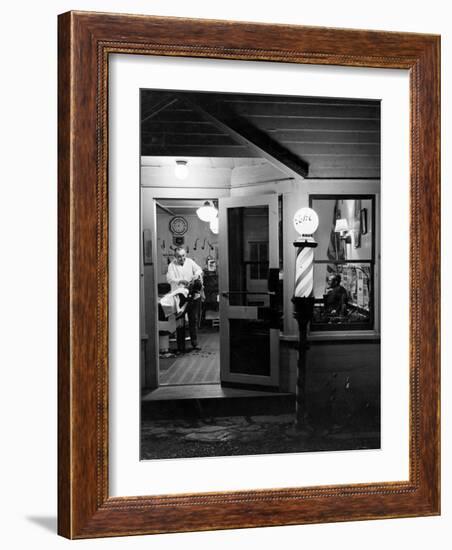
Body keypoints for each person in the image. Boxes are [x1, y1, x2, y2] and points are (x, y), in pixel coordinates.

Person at [166, 247, 203, 352]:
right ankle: (180, 346)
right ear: (175, 257)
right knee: (180, 322)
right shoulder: (171, 266)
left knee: (193, 320)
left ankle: (194, 344)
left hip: (191, 296)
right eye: (179, 256)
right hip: (179, 297)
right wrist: (180, 280)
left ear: (185, 255)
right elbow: (169, 279)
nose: (182, 258)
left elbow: (199, 269)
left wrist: (195, 275)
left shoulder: (190, 262)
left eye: (183, 256)